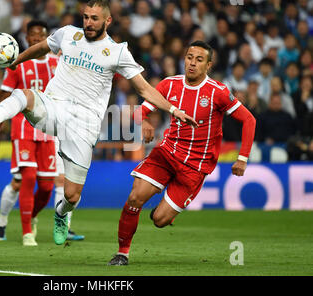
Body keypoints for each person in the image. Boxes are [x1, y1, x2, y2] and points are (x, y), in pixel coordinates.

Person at [0, 0, 197, 245]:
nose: (88, 23)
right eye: (85, 17)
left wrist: (173, 109)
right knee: (24, 95)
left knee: (72, 194)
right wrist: (17, 60)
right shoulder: (67, 34)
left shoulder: (117, 51)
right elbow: (42, 48)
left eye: (94, 19)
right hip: (55, 105)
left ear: (107, 20)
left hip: (84, 125)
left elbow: (145, 90)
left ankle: (61, 213)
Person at [108, 41, 256, 266]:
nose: (192, 63)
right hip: (167, 153)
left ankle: (163, 211)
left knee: (159, 220)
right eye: (189, 57)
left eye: (199, 60)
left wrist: (242, 158)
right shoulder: (169, 85)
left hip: (196, 166)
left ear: (208, 65)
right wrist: (145, 121)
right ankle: (122, 253)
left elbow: (249, 119)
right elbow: (140, 111)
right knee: (135, 198)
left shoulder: (219, 92)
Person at [0, 20, 83, 246]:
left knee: (46, 186)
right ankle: (24, 232)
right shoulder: (17, 64)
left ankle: (31, 216)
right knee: (26, 178)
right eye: (32, 35)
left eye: (41, 35)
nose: (36, 38)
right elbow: (4, 98)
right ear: (27, 38)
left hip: (49, 130)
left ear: (46, 38)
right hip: (22, 129)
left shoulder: (58, 62)